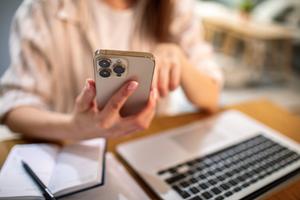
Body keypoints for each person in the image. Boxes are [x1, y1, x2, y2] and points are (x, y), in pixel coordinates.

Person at [0, 0, 223, 141]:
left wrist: (180, 59)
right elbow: (13, 109)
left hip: (147, 143)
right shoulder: (42, 9)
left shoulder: (176, 6)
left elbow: (211, 96)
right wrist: (74, 127)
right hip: (71, 147)